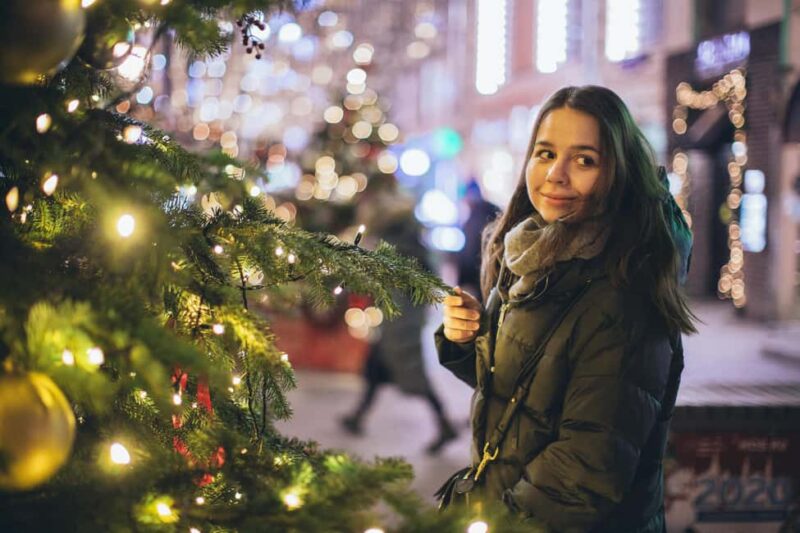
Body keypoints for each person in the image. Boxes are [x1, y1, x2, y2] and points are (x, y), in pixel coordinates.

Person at [435, 85, 696, 531]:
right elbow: (524, 394)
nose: (556, 174)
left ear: (618, 171)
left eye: (584, 160)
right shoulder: (534, 255)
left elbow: (585, 470)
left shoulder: (623, 293)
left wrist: (497, 522)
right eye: (546, 153)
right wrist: (469, 338)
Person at [341, 175, 458, 455]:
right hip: (396, 315)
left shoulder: (399, 240)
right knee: (376, 367)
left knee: (410, 371)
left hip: (402, 318)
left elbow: (409, 279)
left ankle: (444, 424)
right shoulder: (402, 236)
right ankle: (358, 415)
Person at [457, 179, 500, 303]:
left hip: (482, 274)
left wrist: (463, 281)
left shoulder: (475, 217)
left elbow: (468, 252)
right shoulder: (492, 210)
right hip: (492, 274)